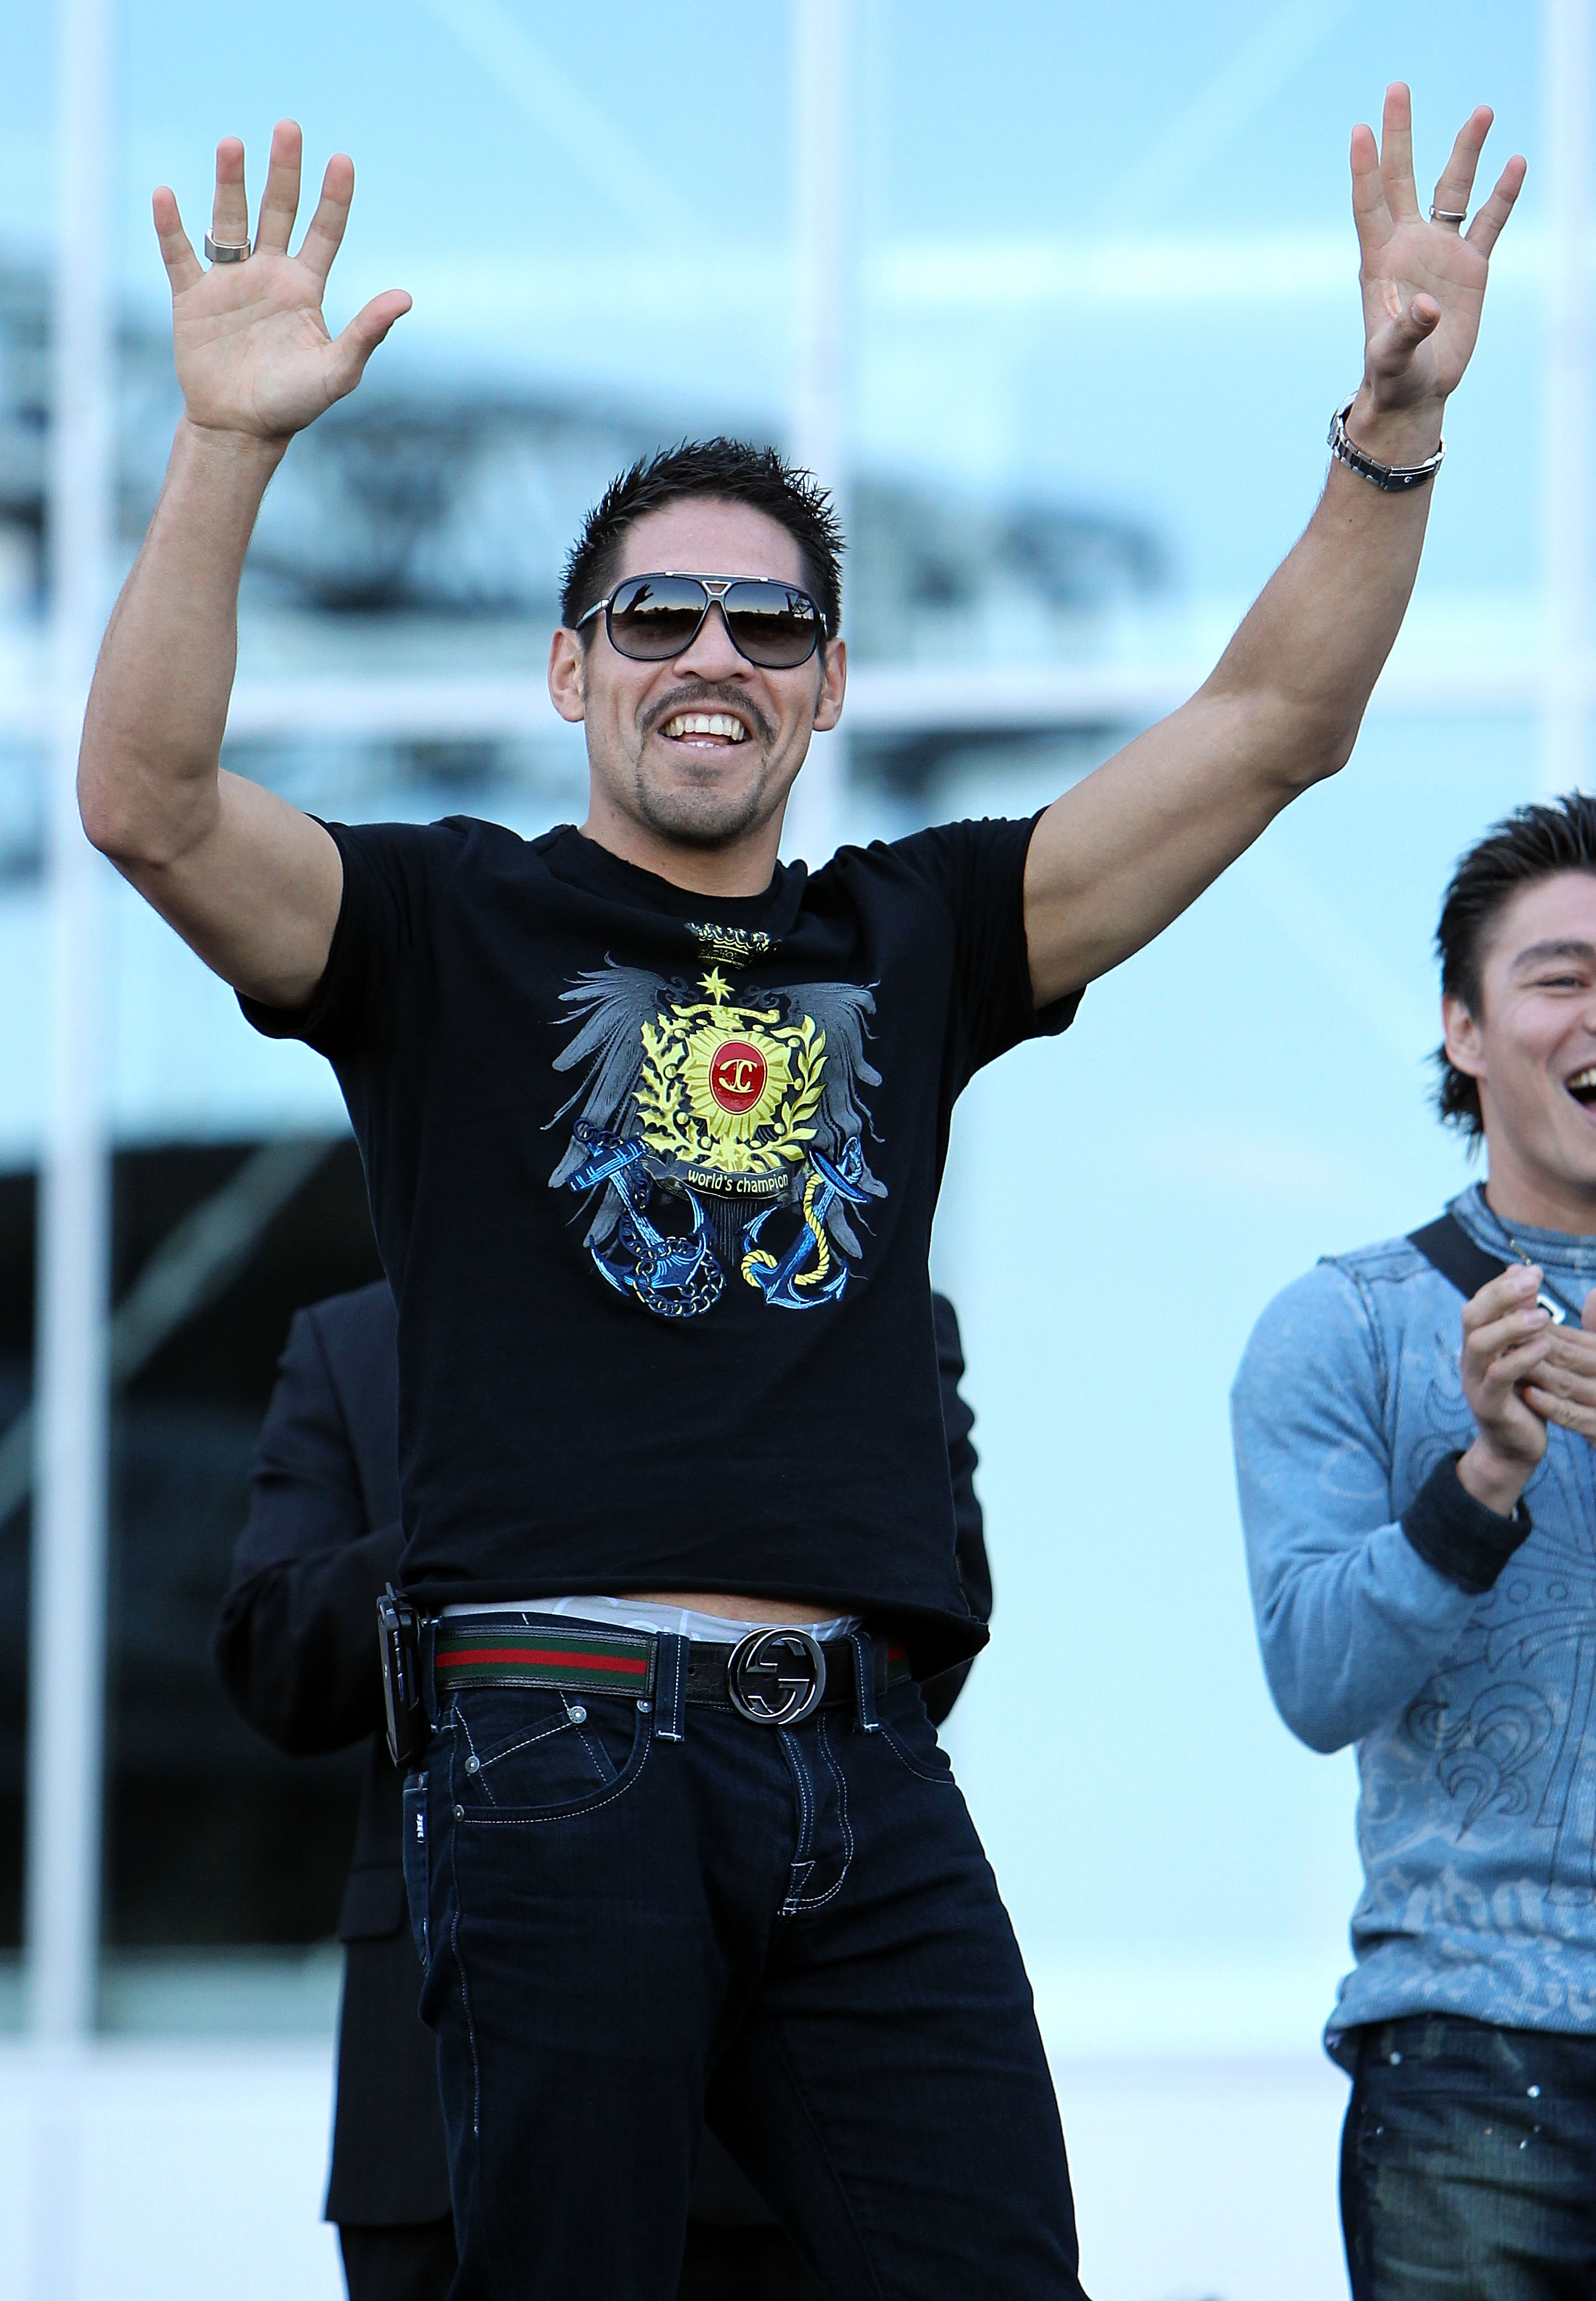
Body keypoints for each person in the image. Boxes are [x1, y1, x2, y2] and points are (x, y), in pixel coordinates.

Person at [77, 87, 1520, 2299]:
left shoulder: (915, 933)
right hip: (555, 1736)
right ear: (571, 672)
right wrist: (228, 451)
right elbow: (150, 803)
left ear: (830, 688)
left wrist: (1390, 430)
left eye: (768, 629)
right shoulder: (445, 929)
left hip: (860, 1767)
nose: (713, 659)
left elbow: (1271, 726)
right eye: (657, 620)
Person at [213, 1279, 991, 2301]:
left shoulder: (853, 1303)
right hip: (433, 2108)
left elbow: (944, 1605)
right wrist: (501, 1507)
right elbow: (273, 1656)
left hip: (759, 2118)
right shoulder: (353, 1333)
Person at [1232, 794, 1596, 2299]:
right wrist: (1484, 1478)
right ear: (1463, 1030)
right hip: (1472, 2060)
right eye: (1564, 978)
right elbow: (1316, 1681)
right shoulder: (1345, 1325)